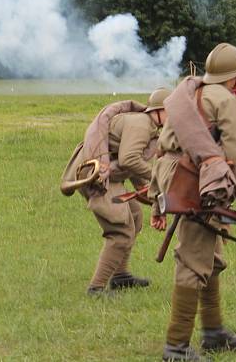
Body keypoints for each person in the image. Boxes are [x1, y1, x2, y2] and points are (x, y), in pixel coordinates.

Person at [150, 43, 236, 361]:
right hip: (198, 186)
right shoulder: (225, 100)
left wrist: (157, 202)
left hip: (175, 179)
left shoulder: (186, 95)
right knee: (193, 262)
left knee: (210, 257)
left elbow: (162, 152)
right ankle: (176, 348)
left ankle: (213, 333)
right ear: (235, 79)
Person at [64, 88, 171, 296]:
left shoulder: (146, 124)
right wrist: (158, 179)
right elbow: (129, 159)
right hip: (96, 178)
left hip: (105, 176)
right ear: (159, 110)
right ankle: (96, 288)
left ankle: (120, 276)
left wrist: (147, 190)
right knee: (120, 231)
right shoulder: (141, 124)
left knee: (135, 215)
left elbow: (128, 161)